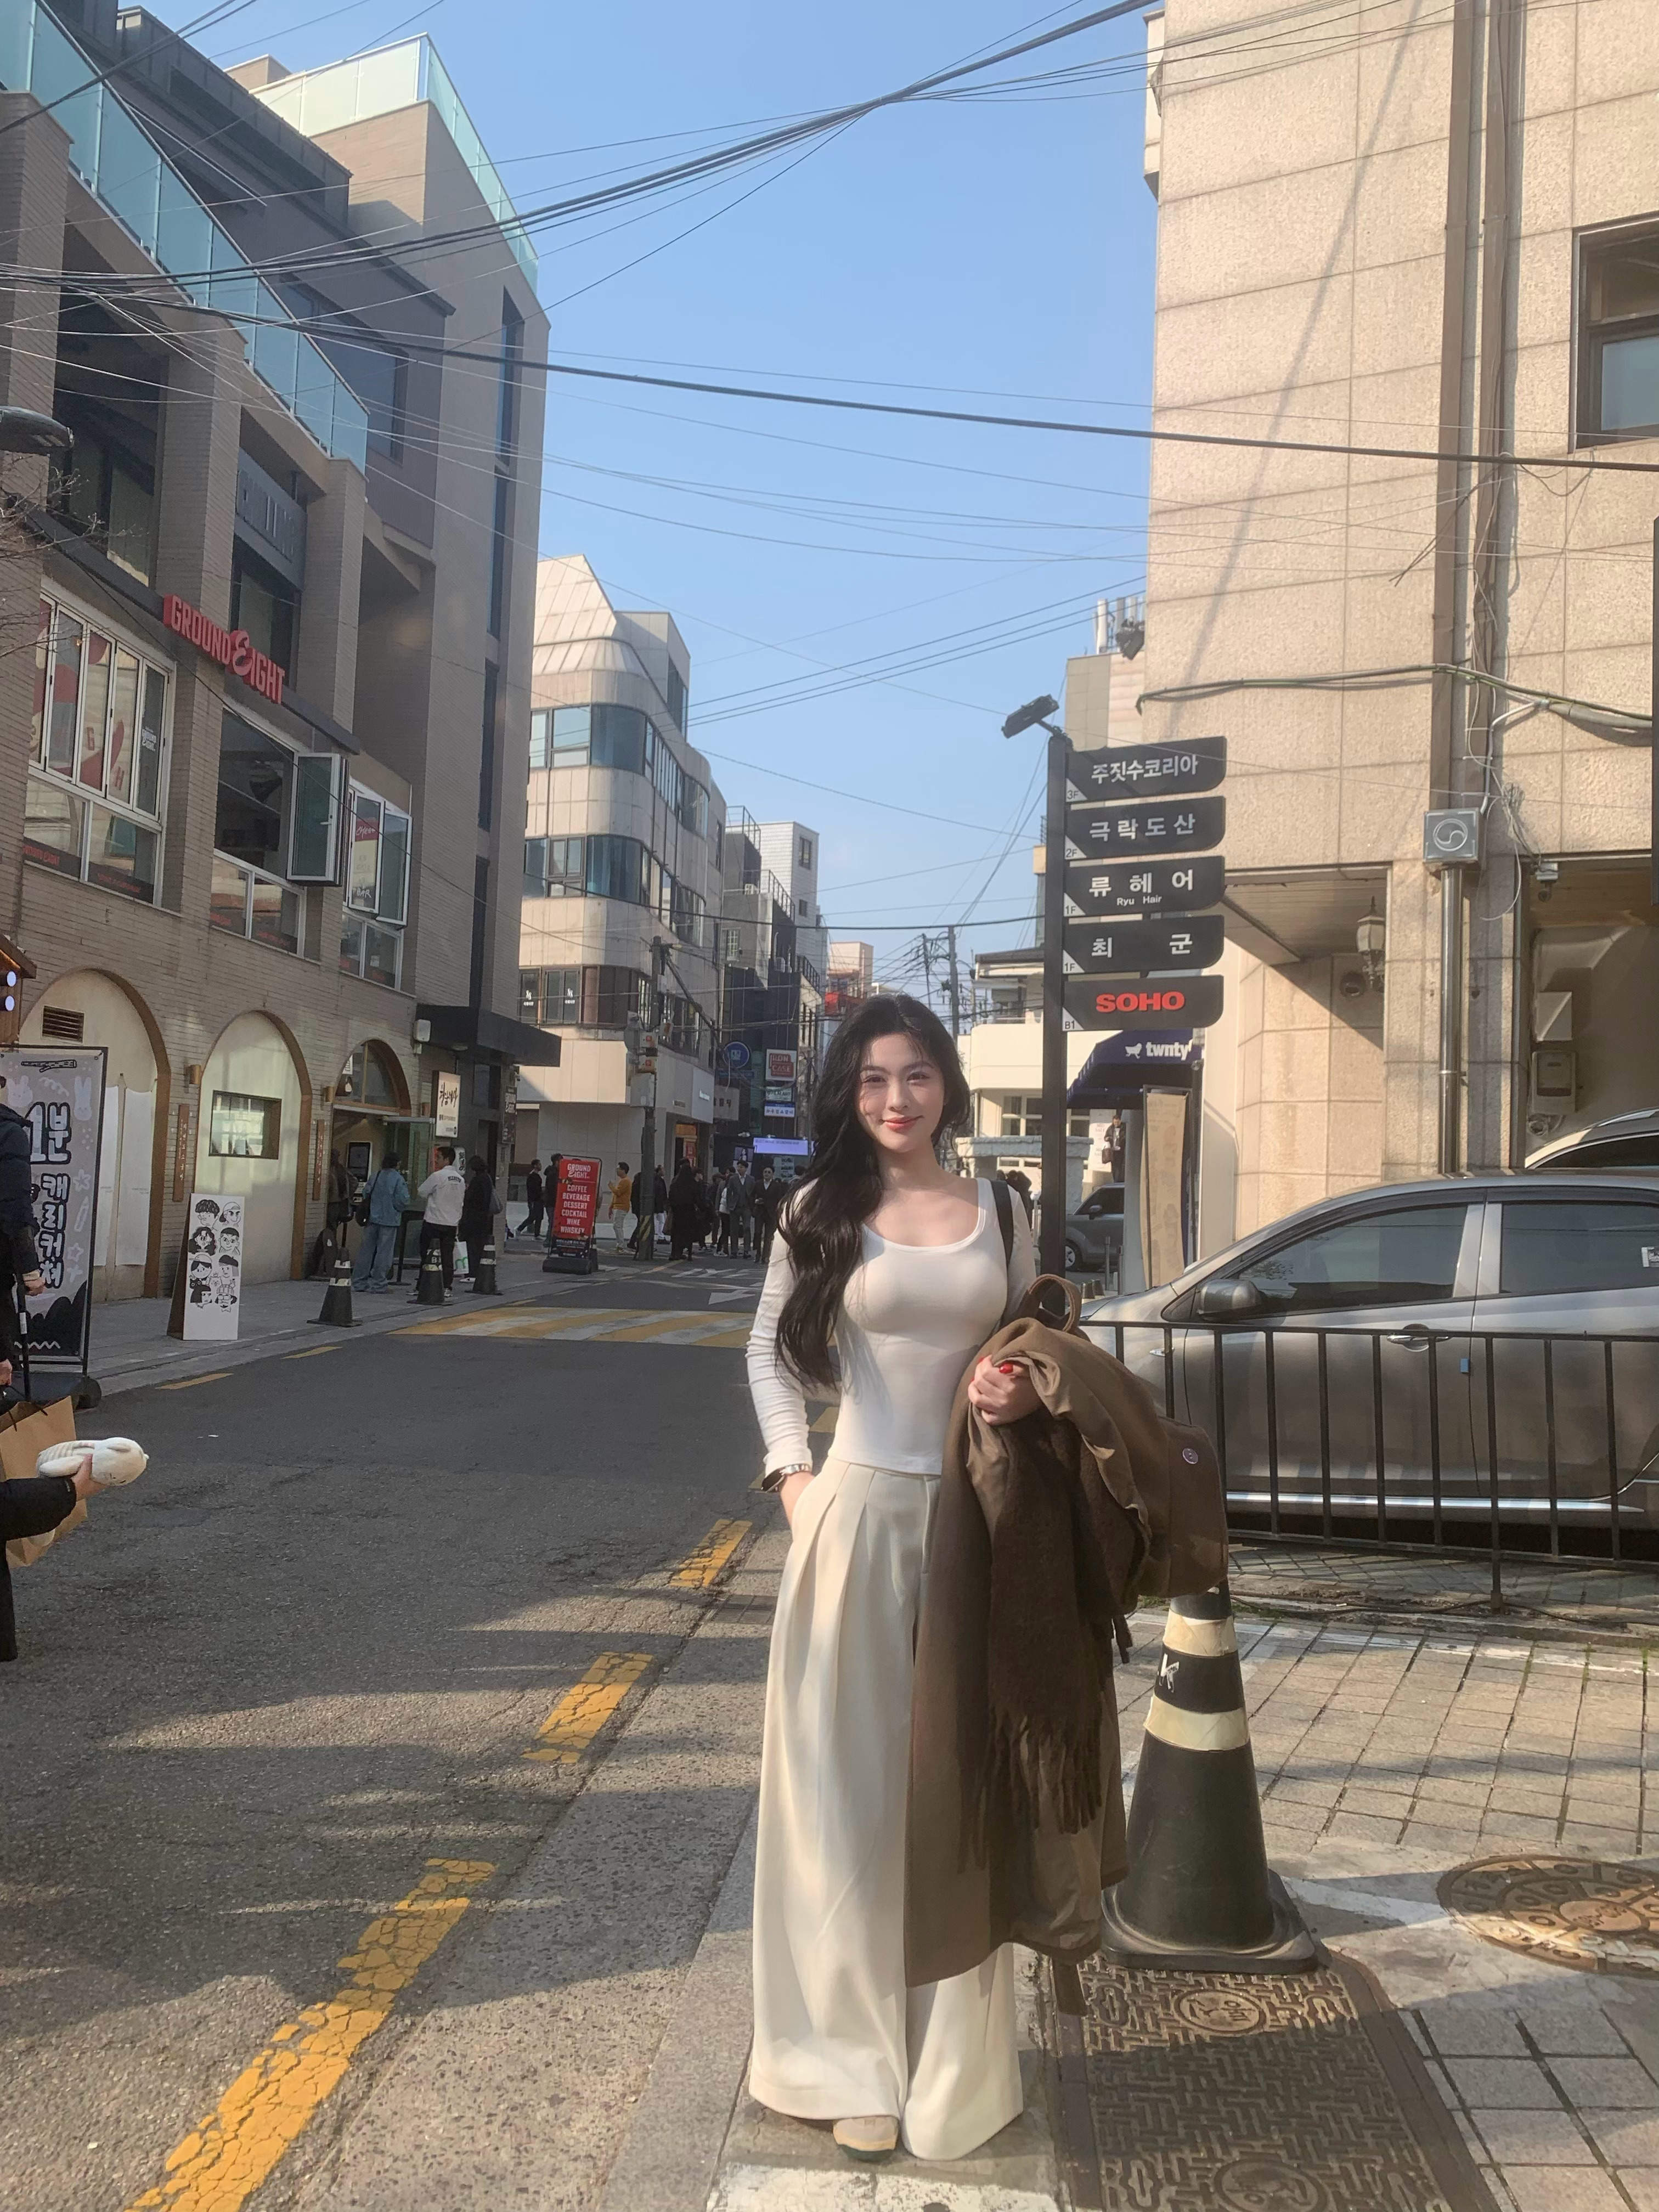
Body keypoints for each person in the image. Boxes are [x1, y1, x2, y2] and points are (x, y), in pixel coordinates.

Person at [746, 995, 1037, 2164]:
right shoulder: (817, 1210)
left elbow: (1036, 1348)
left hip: (976, 1522)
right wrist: (794, 1479)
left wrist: (1015, 1385)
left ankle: (954, 2068)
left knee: (963, 1789)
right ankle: (843, 2061)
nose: (895, 1099)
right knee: (844, 1793)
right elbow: (767, 1353)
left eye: (915, 1074)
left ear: (946, 1085)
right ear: (847, 1094)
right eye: (871, 1079)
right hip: (854, 1517)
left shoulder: (1003, 1208)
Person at [352, 1151, 411, 1294]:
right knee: (384, 1253)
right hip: (389, 1220)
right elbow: (403, 1200)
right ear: (397, 1164)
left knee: (366, 1251)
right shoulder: (398, 1179)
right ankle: (379, 1283)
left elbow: (366, 1193)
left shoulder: (376, 1175)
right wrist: (396, 1209)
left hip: (372, 1218)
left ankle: (359, 1282)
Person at [415, 1143, 466, 1299]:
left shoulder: (438, 1176)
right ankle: (446, 1287)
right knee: (447, 1257)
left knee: (428, 1255)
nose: (435, 1160)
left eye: (438, 1157)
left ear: (447, 1160)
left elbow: (421, 1192)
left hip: (434, 1222)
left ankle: (423, 1286)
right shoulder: (460, 1180)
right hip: (451, 1224)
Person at [459, 1154, 496, 1282]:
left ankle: (471, 1273)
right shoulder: (487, 1179)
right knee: (479, 1246)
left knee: (472, 1247)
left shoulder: (477, 1181)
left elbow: (470, 1199)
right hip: (483, 1219)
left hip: (473, 1218)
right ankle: (476, 1272)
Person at [668, 1159, 701, 1261]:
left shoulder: (676, 1182)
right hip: (689, 1211)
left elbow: (671, 1196)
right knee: (687, 1233)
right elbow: (697, 1197)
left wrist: (673, 1206)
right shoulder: (692, 1183)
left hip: (677, 1211)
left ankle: (674, 1253)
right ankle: (687, 1253)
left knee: (676, 1233)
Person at [326, 1150, 353, 1255]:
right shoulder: (342, 1169)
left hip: (330, 1203)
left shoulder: (329, 1170)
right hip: (340, 1203)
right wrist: (348, 1195)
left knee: (329, 1229)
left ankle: (329, 1252)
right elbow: (354, 1181)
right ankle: (333, 1252)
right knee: (333, 1228)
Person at [753, 1163, 781, 1266]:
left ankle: (765, 1256)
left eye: (769, 1172)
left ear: (773, 1174)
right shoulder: (758, 1184)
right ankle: (758, 1253)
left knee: (768, 1236)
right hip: (759, 1212)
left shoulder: (777, 1186)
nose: (767, 1174)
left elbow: (779, 1200)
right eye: (765, 1172)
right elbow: (752, 1196)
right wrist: (755, 1202)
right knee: (757, 1233)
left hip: (771, 1213)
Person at [608, 1161, 633, 1251]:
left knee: (617, 1226)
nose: (617, 1170)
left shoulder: (625, 1181)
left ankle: (620, 1246)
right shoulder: (623, 1181)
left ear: (624, 1170)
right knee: (617, 1226)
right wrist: (611, 1206)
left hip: (621, 1207)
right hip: (618, 1206)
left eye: (618, 1169)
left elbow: (618, 1193)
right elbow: (616, 1195)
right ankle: (620, 1245)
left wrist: (611, 1187)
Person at [524, 1160, 545, 1243]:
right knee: (532, 1217)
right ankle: (519, 1229)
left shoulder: (537, 1176)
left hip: (539, 1200)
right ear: (535, 1166)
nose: (541, 1166)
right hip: (534, 1200)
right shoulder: (532, 1176)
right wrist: (541, 1192)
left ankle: (537, 1234)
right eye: (539, 1164)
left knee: (539, 1217)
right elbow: (532, 1190)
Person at [652, 1166, 668, 1245]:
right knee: (661, 1221)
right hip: (658, 1204)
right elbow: (661, 1193)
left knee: (659, 1220)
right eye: (662, 1170)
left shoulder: (657, 1179)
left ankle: (660, 1236)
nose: (664, 1171)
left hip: (657, 1204)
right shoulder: (659, 1180)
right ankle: (661, 1236)